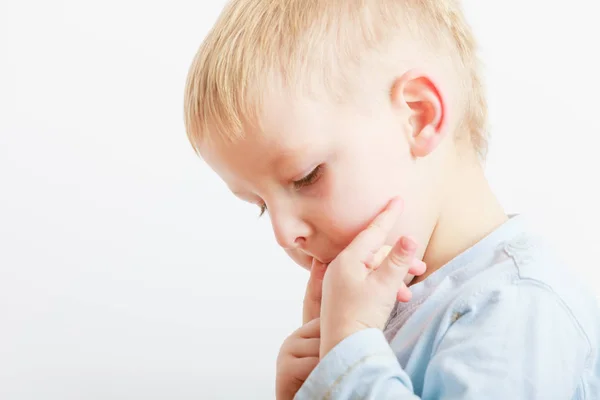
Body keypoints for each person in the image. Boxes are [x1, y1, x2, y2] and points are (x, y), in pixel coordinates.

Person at [183, 0, 600, 398]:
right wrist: (321, 381)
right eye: (260, 206)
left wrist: (350, 351)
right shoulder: (381, 310)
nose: (283, 233)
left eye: (305, 177)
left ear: (417, 117)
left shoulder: (519, 307)